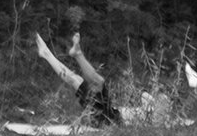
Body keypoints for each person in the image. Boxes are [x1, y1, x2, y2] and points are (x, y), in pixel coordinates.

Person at [35, 32, 166, 126]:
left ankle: (76, 54)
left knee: (97, 82)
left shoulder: (156, 122)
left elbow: (145, 97)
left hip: (109, 119)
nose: (162, 102)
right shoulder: (151, 112)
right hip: (108, 114)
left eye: (163, 104)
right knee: (75, 79)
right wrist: (154, 100)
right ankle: (47, 54)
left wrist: (154, 101)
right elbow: (143, 95)